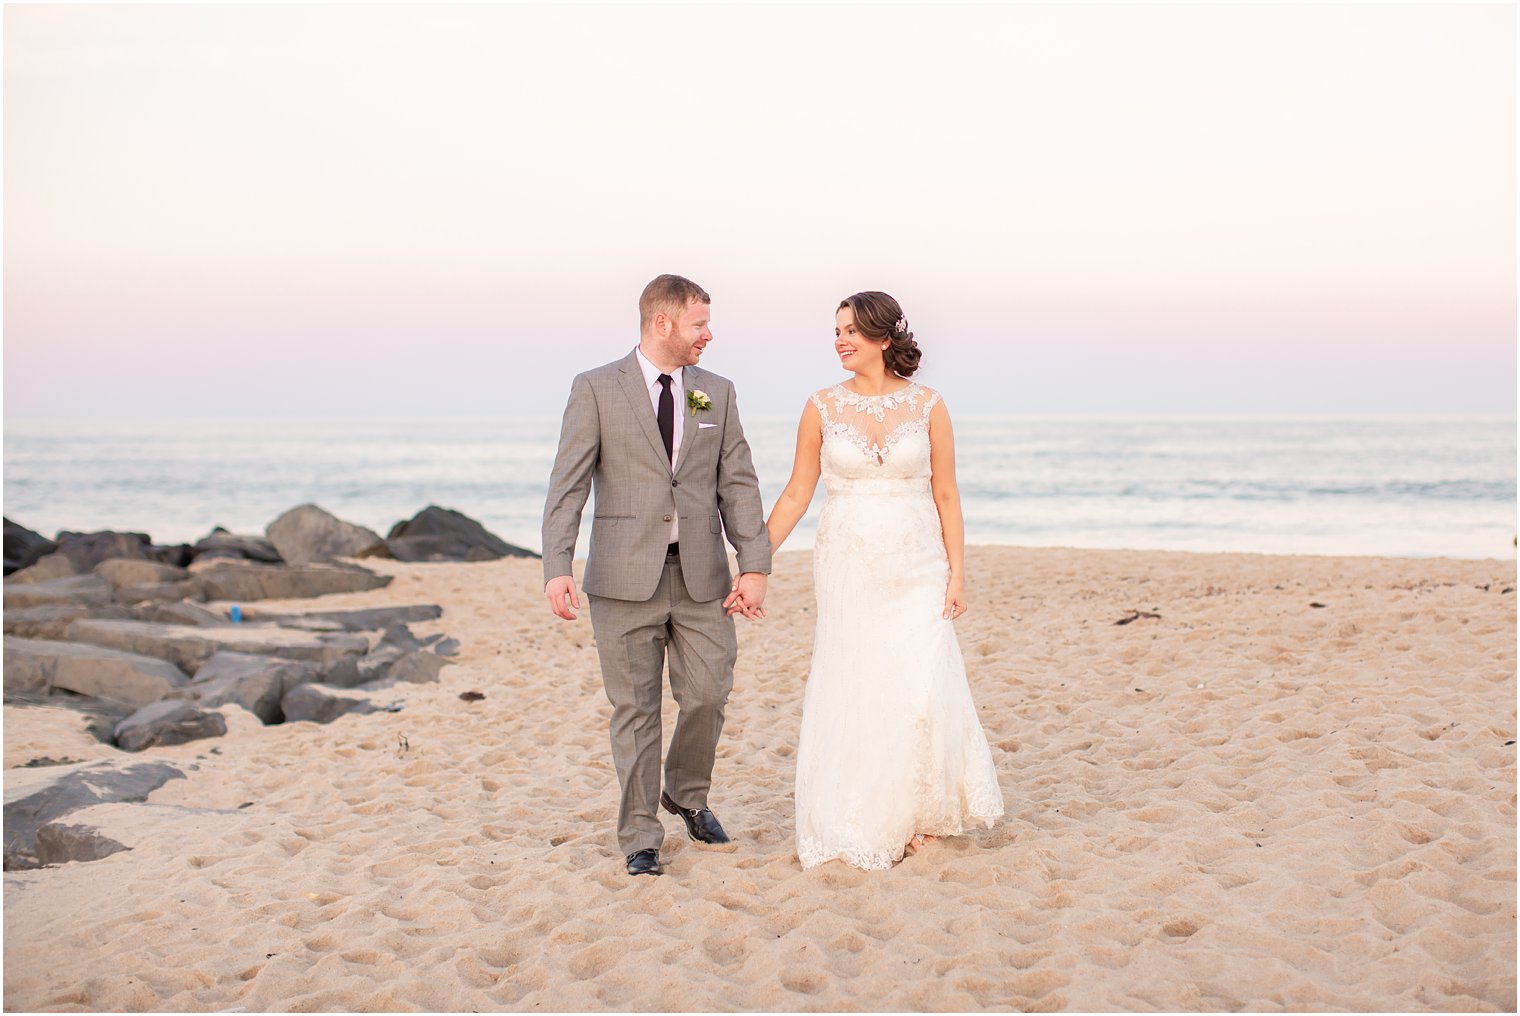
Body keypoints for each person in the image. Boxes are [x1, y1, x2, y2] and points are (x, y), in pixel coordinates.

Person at [762, 290, 1004, 870]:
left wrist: (957, 574)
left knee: (920, 684)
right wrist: (754, 560)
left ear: (884, 338)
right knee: (857, 680)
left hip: (918, 564)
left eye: (851, 330)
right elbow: (799, 491)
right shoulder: (820, 407)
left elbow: (946, 493)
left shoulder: (929, 405)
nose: (840, 340)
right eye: (837, 330)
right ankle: (866, 812)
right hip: (848, 564)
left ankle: (920, 813)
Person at [541, 274, 771, 878]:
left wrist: (755, 565)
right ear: (662, 323)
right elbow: (568, 483)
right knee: (635, 709)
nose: (709, 334)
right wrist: (557, 565)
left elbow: (738, 483)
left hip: (702, 578)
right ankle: (641, 834)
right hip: (620, 579)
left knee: (708, 693)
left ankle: (686, 792)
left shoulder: (715, 392)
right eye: (699, 324)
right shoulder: (594, 388)